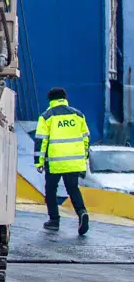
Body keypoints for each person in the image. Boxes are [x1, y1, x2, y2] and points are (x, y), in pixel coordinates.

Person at [35, 87, 91, 235]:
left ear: (50, 100)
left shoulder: (47, 116)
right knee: (73, 189)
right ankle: (82, 213)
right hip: (74, 162)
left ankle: (54, 221)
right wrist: (83, 157)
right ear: (64, 98)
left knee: (51, 190)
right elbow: (86, 138)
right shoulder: (78, 115)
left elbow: (41, 141)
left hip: (54, 162)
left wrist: (38, 162)